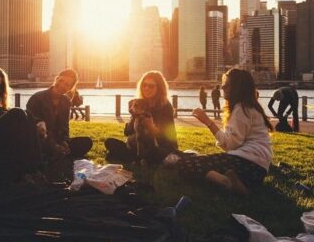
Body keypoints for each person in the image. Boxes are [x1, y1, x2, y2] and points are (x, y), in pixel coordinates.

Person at [179, 68, 273, 196]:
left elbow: (230, 145)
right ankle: (241, 186)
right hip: (258, 170)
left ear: (237, 88)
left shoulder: (241, 109)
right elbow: (233, 144)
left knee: (186, 163)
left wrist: (207, 121)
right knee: (205, 162)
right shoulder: (251, 108)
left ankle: (224, 181)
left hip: (245, 162)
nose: (222, 87)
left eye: (226, 85)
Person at [26, 69, 93, 179]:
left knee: (86, 142)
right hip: (40, 140)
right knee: (44, 149)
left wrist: (65, 142)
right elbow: (35, 127)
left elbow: (65, 126)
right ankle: (54, 156)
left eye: (67, 84)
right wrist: (54, 145)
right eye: (61, 81)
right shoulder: (37, 98)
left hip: (57, 141)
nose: (62, 85)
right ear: (56, 79)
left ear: (70, 88)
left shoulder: (66, 101)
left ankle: (59, 155)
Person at [104, 71, 178, 165]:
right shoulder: (139, 103)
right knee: (109, 142)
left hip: (160, 146)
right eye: (144, 85)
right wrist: (133, 118)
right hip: (139, 145)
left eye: (151, 86)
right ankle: (137, 158)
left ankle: (132, 158)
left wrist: (151, 127)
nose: (146, 88)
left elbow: (167, 138)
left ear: (159, 88)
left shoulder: (165, 107)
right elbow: (127, 132)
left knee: (152, 152)